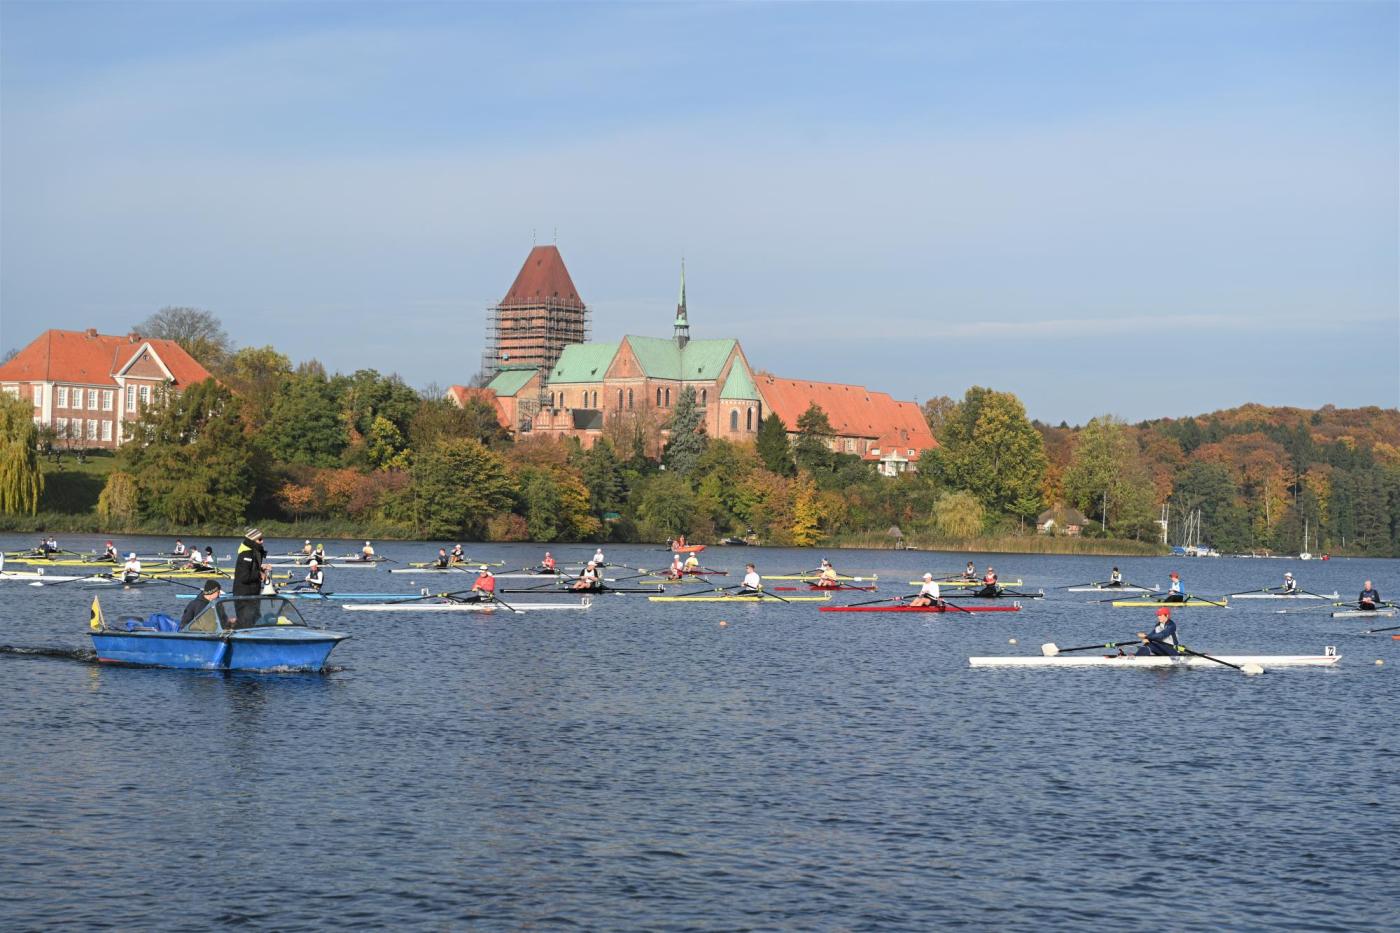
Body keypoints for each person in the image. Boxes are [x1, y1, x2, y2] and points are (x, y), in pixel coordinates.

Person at [232, 528, 268, 630]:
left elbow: (251, 570)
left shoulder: (254, 552)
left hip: (253, 595)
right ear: (253, 540)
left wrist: (262, 569)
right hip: (244, 596)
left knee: (256, 622)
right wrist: (259, 574)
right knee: (246, 625)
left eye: (262, 538)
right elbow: (244, 576)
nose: (262, 541)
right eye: (260, 539)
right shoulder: (246, 554)